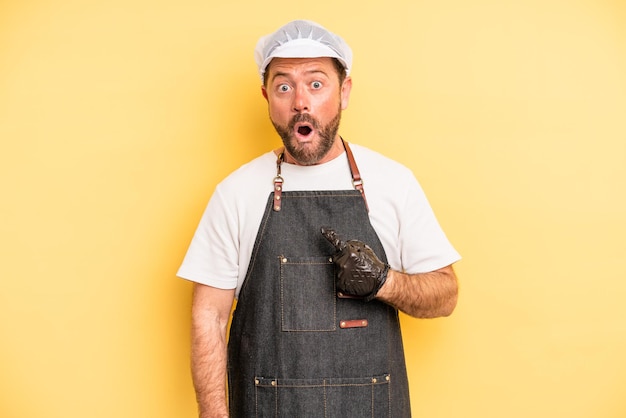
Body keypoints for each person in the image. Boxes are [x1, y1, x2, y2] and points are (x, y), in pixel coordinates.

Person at [177, 19, 461, 418]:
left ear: (343, 91)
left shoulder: (393, 182)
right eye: (283, 86)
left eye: (315, 83)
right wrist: (213, 413)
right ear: (266, 96)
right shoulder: (236, 193)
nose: (300, 102)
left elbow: (445, 296)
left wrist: (385, 281)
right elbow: (209, 314)